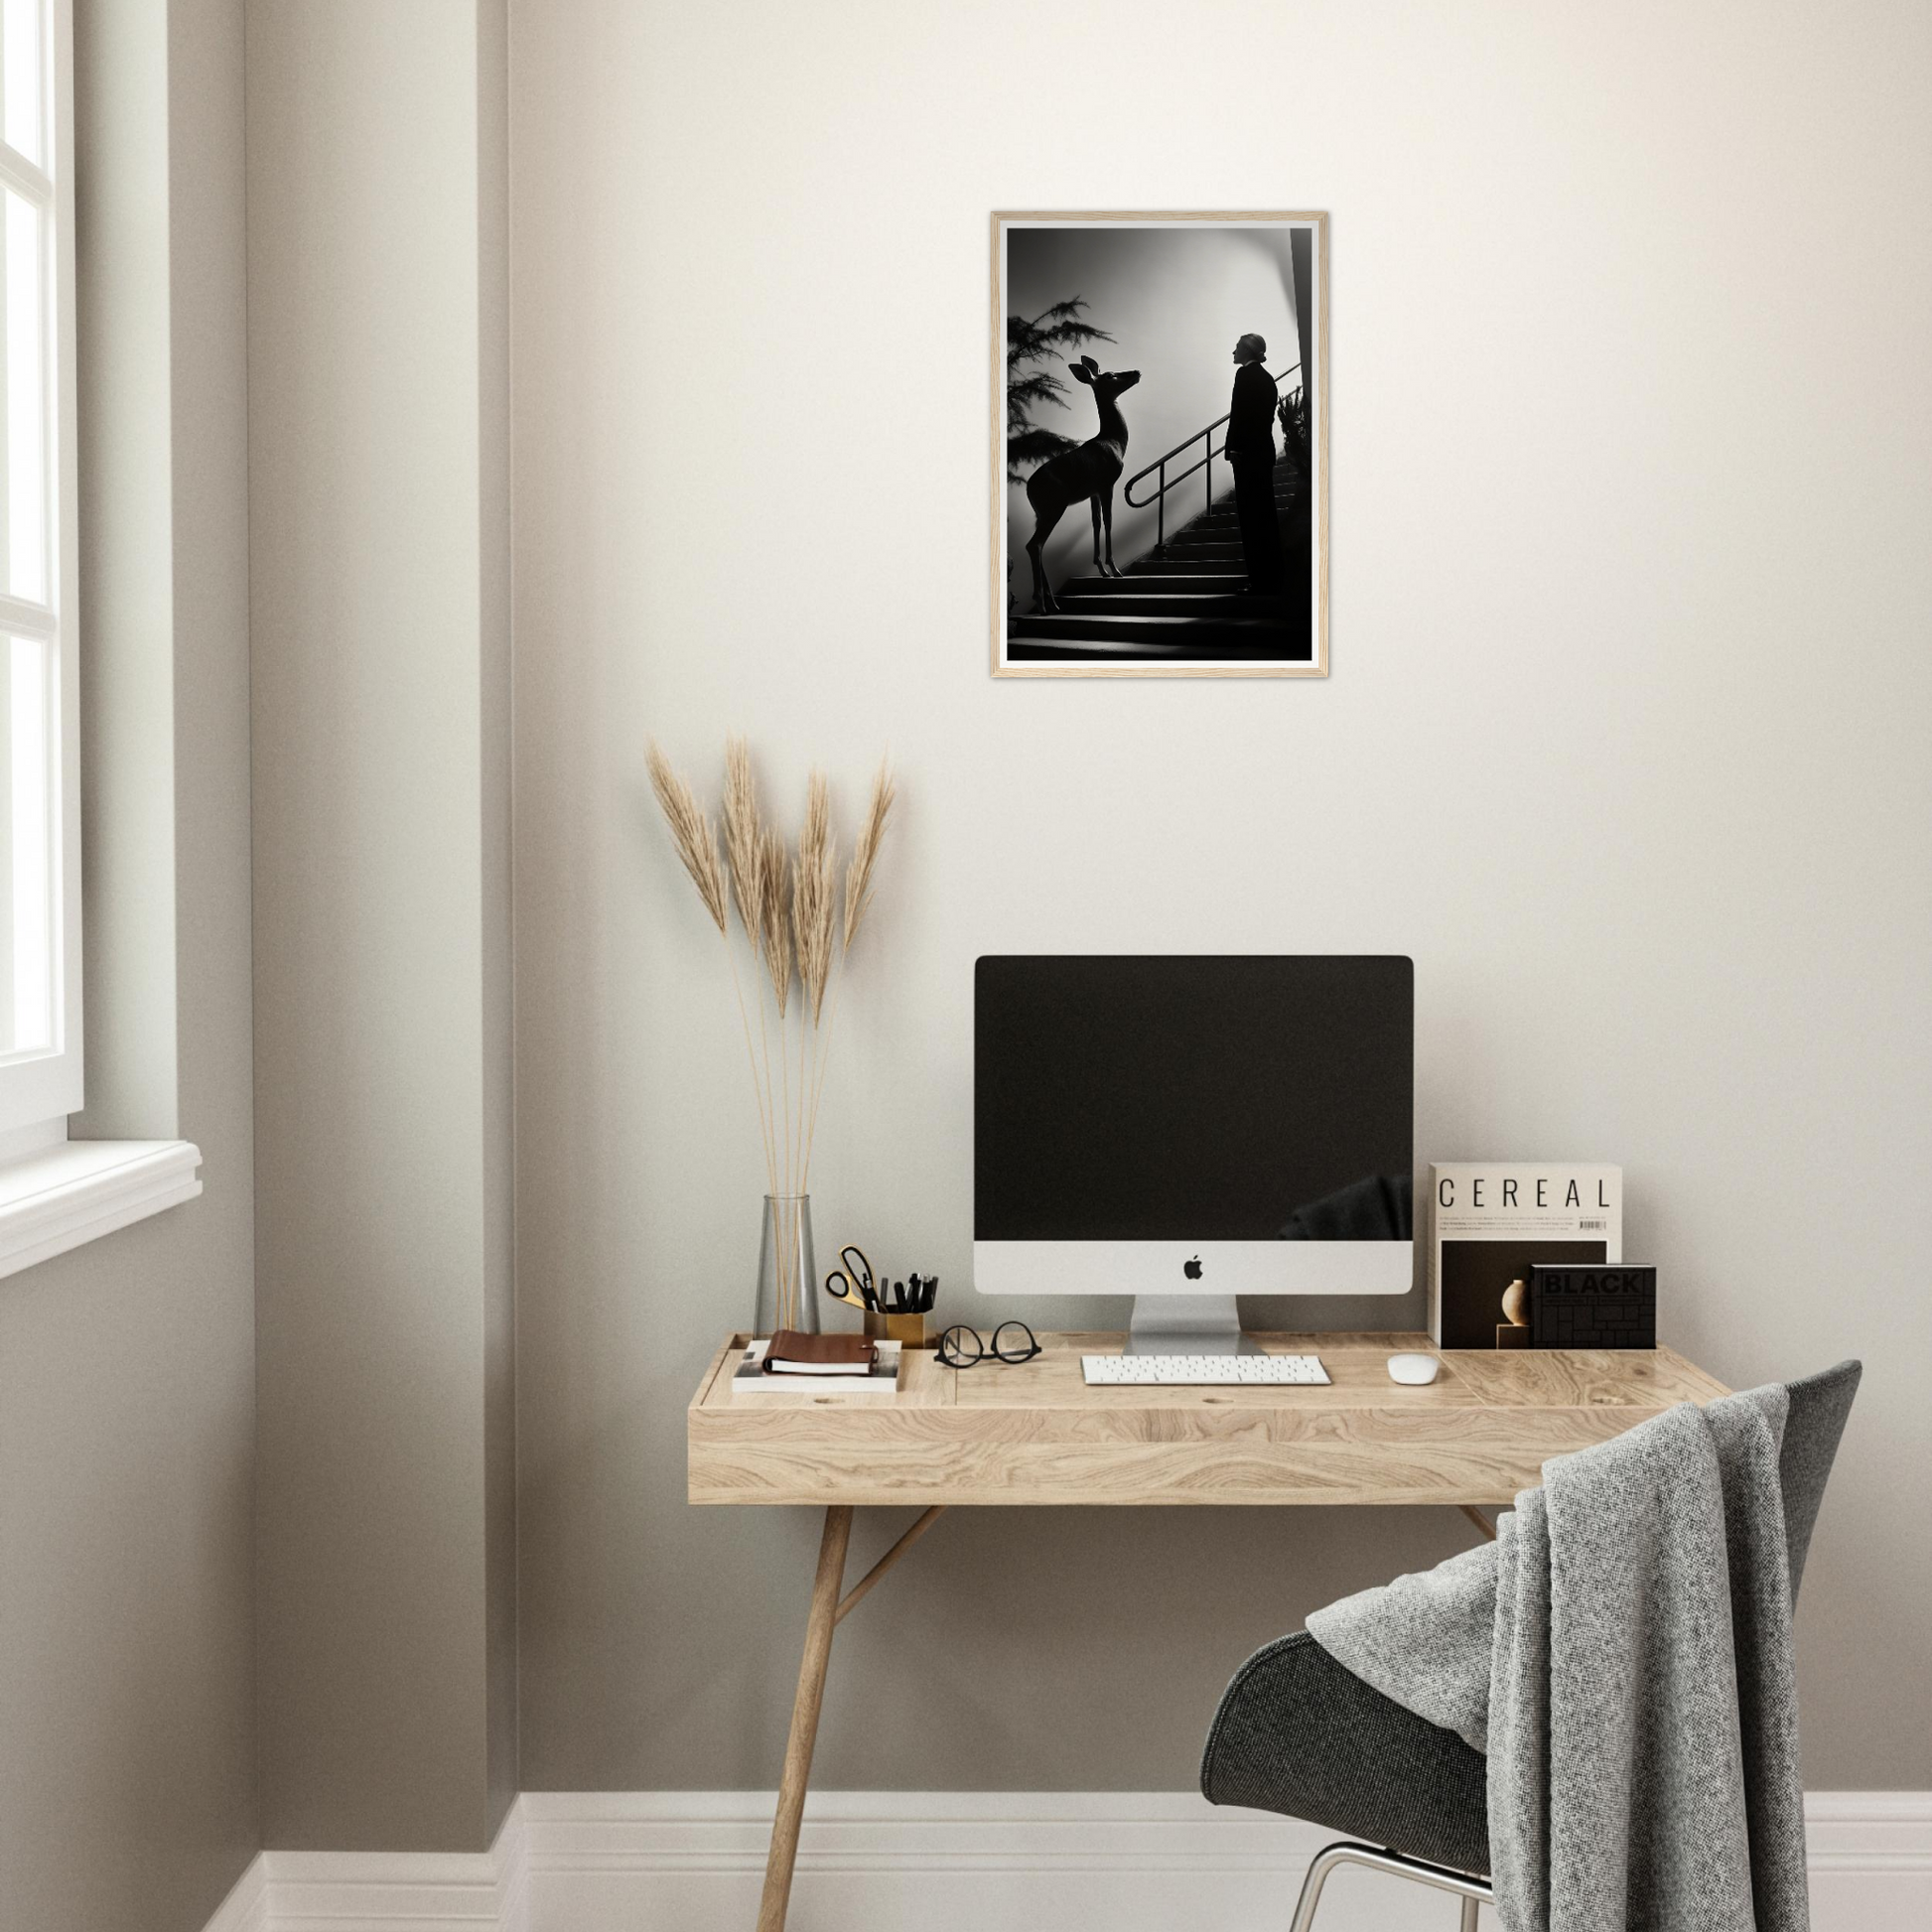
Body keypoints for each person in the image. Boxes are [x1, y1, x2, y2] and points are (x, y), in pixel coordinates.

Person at [1223, 333, 1283, 594]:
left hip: (1246, 455)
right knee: (1265, 516)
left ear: (1247, 350)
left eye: (1237, 347)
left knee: (1250, 519)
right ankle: (1271, 577)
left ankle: (1258, 580)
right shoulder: (1268, 379)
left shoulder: (1244, 376)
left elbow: (1239, 415)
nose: (1233, 352)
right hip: (1263, 452)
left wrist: (1232, 448)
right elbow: (1263, 420)